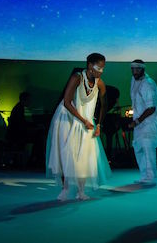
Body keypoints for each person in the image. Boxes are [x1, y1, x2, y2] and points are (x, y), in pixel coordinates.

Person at [46, 53, 111, 201]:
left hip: (86, 120)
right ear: (89, 65)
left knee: (85, 154)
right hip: (67, 118)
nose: (100, 71)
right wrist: (83, 120)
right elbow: (67, 102)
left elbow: (104, 105)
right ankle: (65, 189)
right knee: (66, 153)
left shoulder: (100, 83)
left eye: (103, 69)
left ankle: (81, 191)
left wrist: (98, 125)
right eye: (98, 68)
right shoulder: (77, 77)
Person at [127, 59, 157, 185]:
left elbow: (151, 108)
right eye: (133, 69)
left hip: (150, 121)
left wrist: (137, 121)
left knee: (147, 148)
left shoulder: (148, 84)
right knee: (138, 148)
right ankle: (144, 176)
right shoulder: (134, 80)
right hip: (140, 121)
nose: (135, 72)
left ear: (143, 69)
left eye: (138, 69)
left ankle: (151, 178)